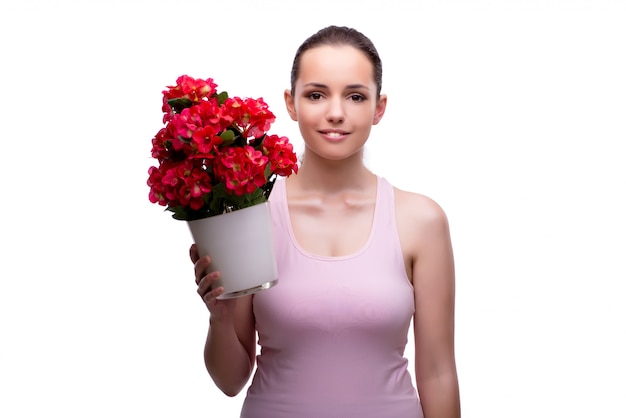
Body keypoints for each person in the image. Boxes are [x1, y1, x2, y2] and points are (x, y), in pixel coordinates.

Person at [191, 25, 461, 418]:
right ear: (291, 103)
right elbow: (230, 380)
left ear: (379, 108)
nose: (335, 112)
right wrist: (219, 315)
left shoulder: (421, 221)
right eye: (316, 95)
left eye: (355, 96)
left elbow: (438, 373)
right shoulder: (250, 214)